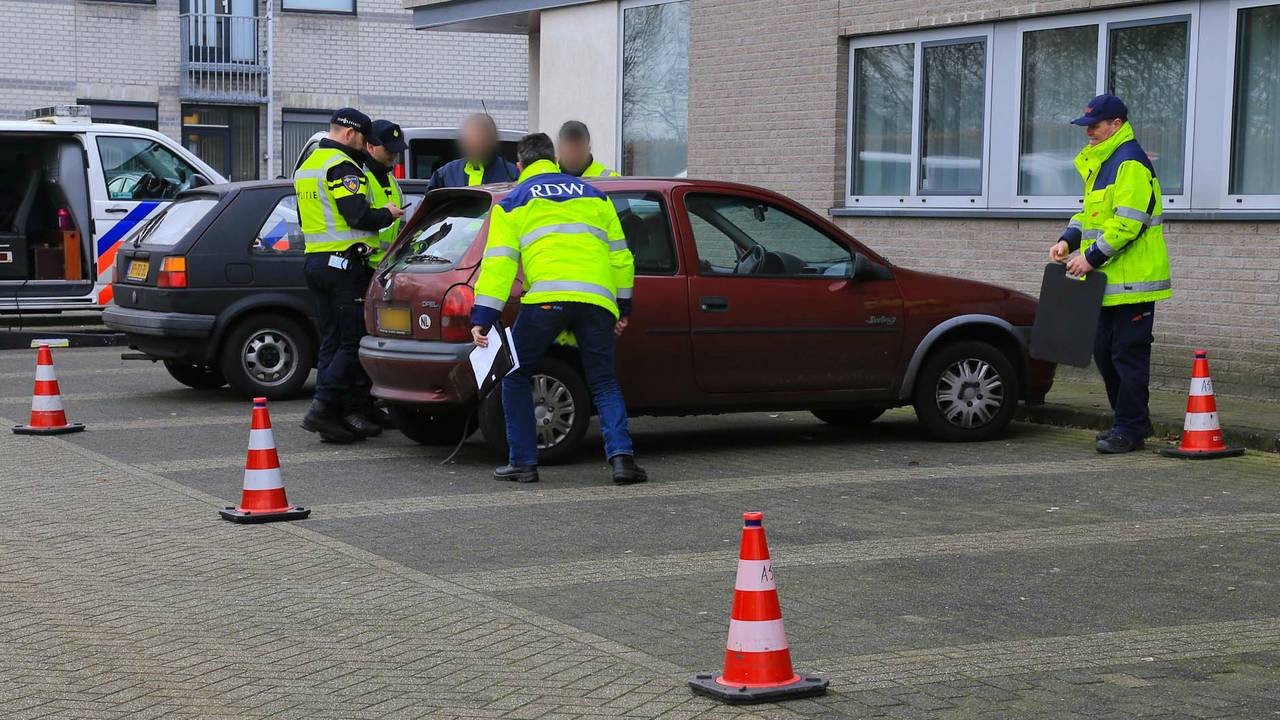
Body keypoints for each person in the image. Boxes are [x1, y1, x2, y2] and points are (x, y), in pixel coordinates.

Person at [469, 132, 646, 485]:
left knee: (516, 374)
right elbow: (621, 257)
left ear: (519, 165)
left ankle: (523, 462)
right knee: (604, 381)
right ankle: (622, 461)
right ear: (554, 160)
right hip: (597, 301)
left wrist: (484, 317)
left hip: (546, 299)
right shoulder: (595, 195)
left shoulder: (513, 201)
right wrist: (623, 307)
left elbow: (499, 264)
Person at [1048, 94, 1172, 454]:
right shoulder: (1103, 162)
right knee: (1105, 354)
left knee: (1126, 357)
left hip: (1132, 282)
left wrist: (1089, 258)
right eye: (1087, 126)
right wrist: (1067, 240)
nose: (1089, 132)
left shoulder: (1129, 162)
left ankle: (1130, 429)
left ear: (1116, 124)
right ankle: (1130, 422)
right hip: (1107, 282)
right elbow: (1089, 214)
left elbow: (1129, 223)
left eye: (1095, 125)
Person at [295, 108, 404, 443]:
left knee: (331, 340)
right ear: (349, 133)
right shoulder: (341, 166)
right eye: (362, 138)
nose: (364, 145)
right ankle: (322, 408)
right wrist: (387, 214)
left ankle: (332, 415)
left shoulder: (308, 165)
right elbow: (357, 215)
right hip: (344, 265)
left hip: (316, 260)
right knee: (351, 341)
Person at [426, 113, 518, 190]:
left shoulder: (512, 174)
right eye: (470, 139)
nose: (473, 145)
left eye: (479, 138)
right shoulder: (446, 173)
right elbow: (429, 203)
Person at [364, 119, 407, 269]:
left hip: (386, 266)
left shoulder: (392, 179)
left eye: (396, 150)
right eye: (388, 149)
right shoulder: (359, 176)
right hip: (363, 265)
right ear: (370, 147)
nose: (393, 154)